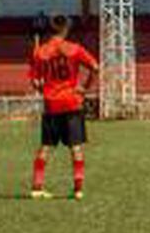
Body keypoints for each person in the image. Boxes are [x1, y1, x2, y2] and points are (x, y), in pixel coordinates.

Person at [28, 13, 99, 199]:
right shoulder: (74, 49)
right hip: (71, 103)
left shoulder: (40, 51)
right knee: (76, 147)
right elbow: (95, 67)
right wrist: (85, 88)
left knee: (46, 146)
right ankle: (78, 190)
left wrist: (44, 91)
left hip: (52, 104)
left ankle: (37, 188)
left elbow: (35, 82)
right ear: (66, 29)